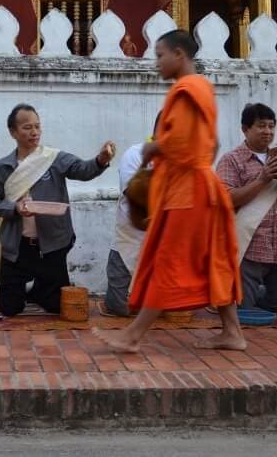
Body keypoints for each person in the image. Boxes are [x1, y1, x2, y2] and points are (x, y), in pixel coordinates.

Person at [94, 30, 245, 353]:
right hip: (204, 187)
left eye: (160, 55)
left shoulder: (188, 88)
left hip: (188, 191)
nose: (156, 62)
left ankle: (133, 335)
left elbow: (184, 144)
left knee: (168, 260)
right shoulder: (201, 88)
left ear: (180, 54)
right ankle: (233, 332)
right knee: (212, 259)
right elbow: (211, 144)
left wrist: (154, 149)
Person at [0, 104, 114, 319]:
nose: (34, 132)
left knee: (54, 306)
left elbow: (83, 170)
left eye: (37, 126)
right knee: (9, 308)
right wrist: (14, 207)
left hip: (51, 245)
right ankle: (27, 291)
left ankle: (40, 289)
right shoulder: (1, 167)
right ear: (13, 132)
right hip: (17, 247)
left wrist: (100, 161)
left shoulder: (54, 158)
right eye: (26, 127)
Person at [216, 103, 277, 314]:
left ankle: (257, 297)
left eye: (271, 126)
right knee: (242, 309)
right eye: (261, 126)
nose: (268, 132)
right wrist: (263, 179)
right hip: (248, 245)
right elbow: (226, 199)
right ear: (245, 129)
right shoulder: (232, 160)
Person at [104, 141, 150, 317]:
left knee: (166, 305)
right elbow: (134, 193)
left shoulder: (184, 157)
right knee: (121, 307)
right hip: (129, 236)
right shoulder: (136, 154)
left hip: (165, 239)